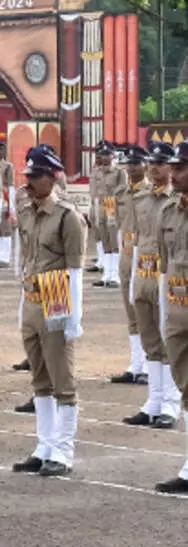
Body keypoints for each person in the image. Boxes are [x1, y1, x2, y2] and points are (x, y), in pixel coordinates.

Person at [7, 147, 85, 477]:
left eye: (37, 176)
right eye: (29, 176)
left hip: (57, 302)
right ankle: (44, 446)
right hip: (32, 300)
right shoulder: (26, 213)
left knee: (61, 380)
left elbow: (75, 270)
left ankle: (63, 450)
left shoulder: (68, 217)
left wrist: (74, 317)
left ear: (52, 178)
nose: (31, 182)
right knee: (39, 379)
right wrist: (22, 305)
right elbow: (26, 258)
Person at [122, 142, 180, 430]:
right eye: (152, 163)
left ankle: (170, 403)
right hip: (143, 272)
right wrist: (134, 277)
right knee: (150, 340)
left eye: (161, 163)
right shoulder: (140, 196)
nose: (154, 168)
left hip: (167, 274)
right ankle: (153, 401)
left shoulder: (175, 200)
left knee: (169, 340)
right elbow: (135, 239)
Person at [151, 143, 188, 493]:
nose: (175, 174)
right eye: (174, 168)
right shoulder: (168, 212)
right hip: (178, 310)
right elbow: (164, 268)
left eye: (182, 168)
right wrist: (165, 314)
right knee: (186, 386)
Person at [111, 145, 150, 383]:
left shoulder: (151, 192)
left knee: (147, 311)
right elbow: (118, 224)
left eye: (137, 163)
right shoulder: (121, 192)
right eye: (129, 163)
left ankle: (148, 363)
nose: (132, 167)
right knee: (131, 311)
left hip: (146, 254)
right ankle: (135, 364)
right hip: (126, 252)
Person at [88, 147, 124, 284]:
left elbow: (123, 191)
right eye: (101, 155)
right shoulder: (96, 171)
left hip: (113, 205)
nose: (102, 158)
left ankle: (116, 274)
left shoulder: (119, 172)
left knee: (114, 239)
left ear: (112, 156)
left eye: (106, 155)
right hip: (100, 205)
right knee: (104, 239)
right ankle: (106, 274)